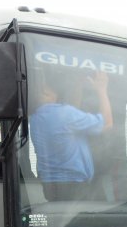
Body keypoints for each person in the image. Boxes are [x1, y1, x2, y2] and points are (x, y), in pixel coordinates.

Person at [30, 69, 113, 201]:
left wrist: (77, 84)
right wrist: (102, 90)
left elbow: (71, 111)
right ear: (49, 93)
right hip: (74, 186)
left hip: (50, 185)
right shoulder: (64, 115)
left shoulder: (35, 118)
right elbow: (107, 123)